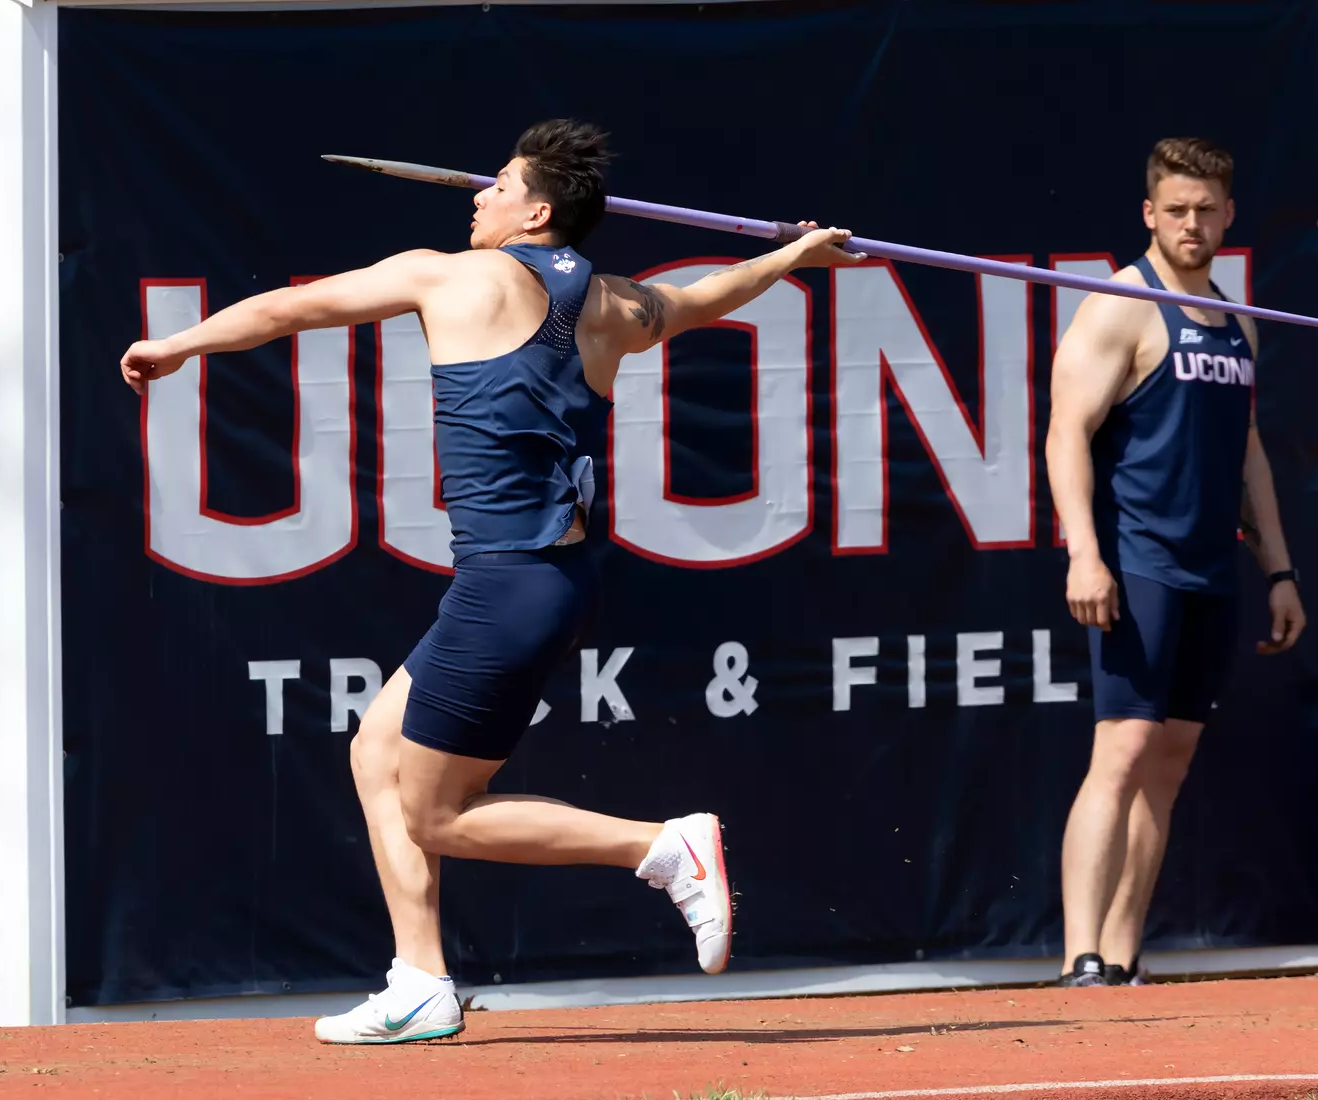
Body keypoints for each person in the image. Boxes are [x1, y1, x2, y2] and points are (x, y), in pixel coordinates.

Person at [121, 119, 862, 1041]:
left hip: (507, 586)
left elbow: (288, 311)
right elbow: (706, 298)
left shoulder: (451, 275)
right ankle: (420, 979)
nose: (479, 195)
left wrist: (180, 346)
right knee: (373, 755)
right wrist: (796, 253)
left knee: (433, 815)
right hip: (539, 582)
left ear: (537, 209)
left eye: (498, 184)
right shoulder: (612, 305)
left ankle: (664, 849)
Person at [1045, 136, 1306, 988]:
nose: (1193, 224)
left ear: (1229, 215)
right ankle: (1079, 954)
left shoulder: (1238, 321)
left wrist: (1279, 571)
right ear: (1150, 214)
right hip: (1137, 563)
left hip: (1209, 568)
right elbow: (1064, 433)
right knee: (1119, 752)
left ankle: (1121, 956)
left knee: (1170, 761)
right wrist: (1086, 554)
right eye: (1177, 210)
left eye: (1208, 211)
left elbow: (1248, 455)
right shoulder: (1117, 305)